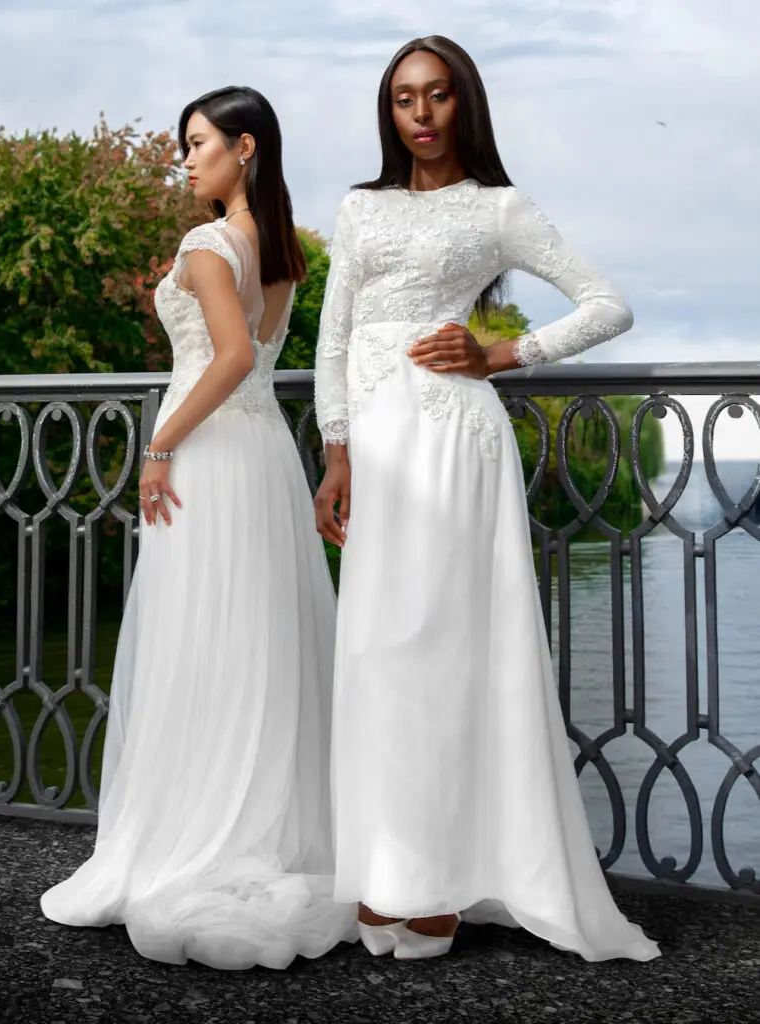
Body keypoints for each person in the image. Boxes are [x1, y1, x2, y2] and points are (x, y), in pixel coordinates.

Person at [314, 36, 661, 963]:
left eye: (436, 96)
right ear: (387, 113)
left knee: (448, 652)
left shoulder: (499, 208)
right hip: (376, 452)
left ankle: (439, 879)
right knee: (380, 652)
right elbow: (333, 334)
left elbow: (606, 304)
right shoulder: (359, 207)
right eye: (401, 99)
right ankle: (386, 863)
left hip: (452, 446)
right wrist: (334, 453)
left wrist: (501, 354)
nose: (419, 114)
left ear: (463, 102)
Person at [41, 86, 357, 970]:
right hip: (262, 460)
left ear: (243, 148)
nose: (184, 159)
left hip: (208, 455)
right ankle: (261, 821)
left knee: (198, 640)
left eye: (196, 143)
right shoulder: (283, 252)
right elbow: (256, 358)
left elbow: (223, 359)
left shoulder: (208, 242)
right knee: (252, 641)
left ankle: (194, 833)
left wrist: (158, 444)